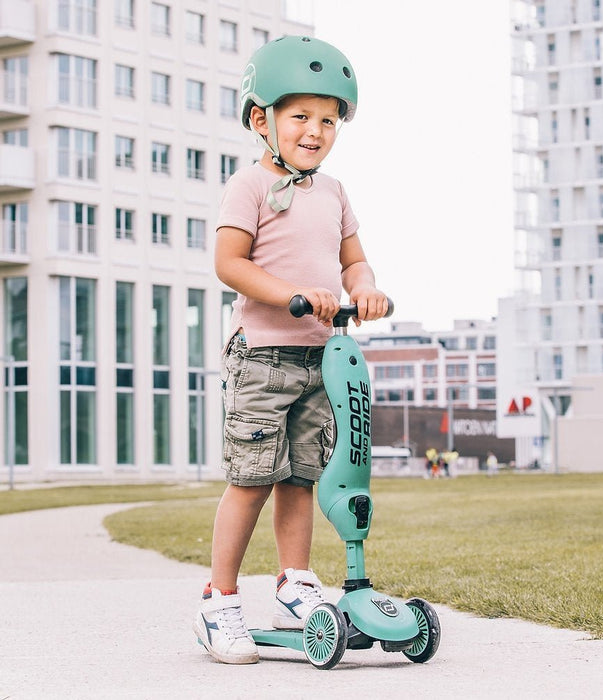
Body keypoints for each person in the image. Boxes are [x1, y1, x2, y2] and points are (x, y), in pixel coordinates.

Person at [192, 36, 388, 665]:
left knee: (301, 478)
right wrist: (292, 294)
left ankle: (294, 584)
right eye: (300, 115)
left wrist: (367, 288)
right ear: (262, 120)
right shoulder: (248, 184)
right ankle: (219, 600)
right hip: (262, 359)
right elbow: (229, 263)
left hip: (319, 360)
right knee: (251, 480)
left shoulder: (333, 192)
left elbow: (353, 261)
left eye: (328, 119)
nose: (315, 130)